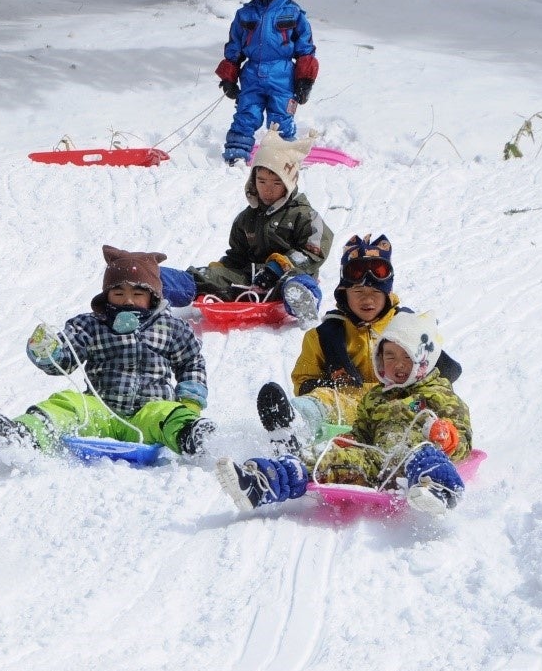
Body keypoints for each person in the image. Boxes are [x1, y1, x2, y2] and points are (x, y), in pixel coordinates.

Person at [217, 311, 473, 515]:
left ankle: (438, 490)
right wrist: (347, 441)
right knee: (320, 459)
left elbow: (463, 437)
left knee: (423, 453)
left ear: (423, 361)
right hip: (379, 463)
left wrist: (448, 437)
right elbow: (363, 431)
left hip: (416, 462)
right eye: (389, 356)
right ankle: (261, 483)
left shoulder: (438, 393)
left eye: (406, 358)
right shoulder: (376, 397)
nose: (396, 365)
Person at [0, 245, 218, 456]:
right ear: (107, 296)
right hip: (101, 411)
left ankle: (191, 436)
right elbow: (66, 358)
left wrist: (190, 402)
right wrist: (48, 351)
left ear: (153, 297)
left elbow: (191, 362)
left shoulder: (171, 328)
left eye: (137, 294)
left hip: (148, 415)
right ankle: (26, 434)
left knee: (169, 414)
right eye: (118, 294)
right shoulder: (91, 325)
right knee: (67, 403)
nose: (128, 301)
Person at [254, 234, 463, 453]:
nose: (367, 300)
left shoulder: (407, 326)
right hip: (349, 406)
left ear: (387, 294)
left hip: (403, 405)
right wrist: (329, 386)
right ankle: (292, 425)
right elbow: (304, 380)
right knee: (324, 400)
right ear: (345, 293)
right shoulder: (325, 334)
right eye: (358, 292)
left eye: (375, 292)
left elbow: (448, 371)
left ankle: (442, 440)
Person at [162, 127, 332, 325]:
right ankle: (147, 284)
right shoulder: (245, 219)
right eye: (261, 181)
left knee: (297, 284)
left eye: (276, 183)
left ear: (289, 183)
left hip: (288, 277)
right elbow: (238, 255)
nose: (267, 189)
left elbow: (313, 251)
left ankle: (303, 303)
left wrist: (277, 268)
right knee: (202, 277)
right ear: (252, 181)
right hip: (250, 279)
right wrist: (222, 270)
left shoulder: (305, 215)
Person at [216, 0, 318, 166]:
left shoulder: (293, 12)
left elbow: (305, 49)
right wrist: (229, 78)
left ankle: (282, 161)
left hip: (282, 75)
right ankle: (236, 157)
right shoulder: (246, 13)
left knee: (281, 118)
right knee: (246, 115)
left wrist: (305, 80)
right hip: (252, 74)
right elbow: (234, 47)